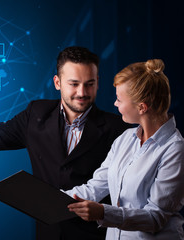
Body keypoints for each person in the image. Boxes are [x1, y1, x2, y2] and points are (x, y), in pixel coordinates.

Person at [0, 46, 131, 240]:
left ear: (98, 82)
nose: (82, 92)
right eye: (73, 84)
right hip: (47, 234)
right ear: (57, 83)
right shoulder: (36, 114)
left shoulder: (118, 129)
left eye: (89, 84)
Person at [65, 59, 184, 239]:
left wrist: (103, 213)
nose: (115, 104)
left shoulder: (175, 149)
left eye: (119, 99)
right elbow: (95, 187)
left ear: (142, 107)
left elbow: (155, 217)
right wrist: (52, 199)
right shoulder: (125, 139)